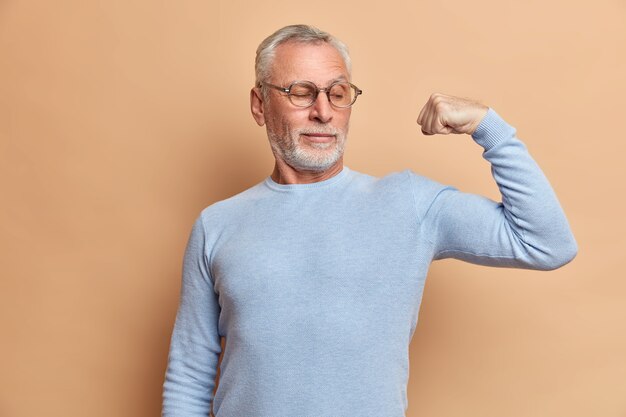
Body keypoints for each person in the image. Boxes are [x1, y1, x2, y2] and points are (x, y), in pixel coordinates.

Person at [162, 24, 577, 417]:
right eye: (301, 92)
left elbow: (546, 243)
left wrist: (489, 127)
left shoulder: (408, 203)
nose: (323, 112)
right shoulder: (216, 225)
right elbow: (189, 377)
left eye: (338, 93)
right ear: (259, 105)